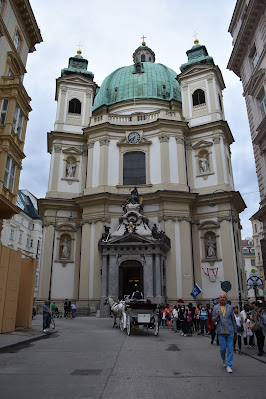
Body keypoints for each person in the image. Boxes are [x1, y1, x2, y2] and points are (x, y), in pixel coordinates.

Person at [212, 293, 237, 373]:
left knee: (230, 349)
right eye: (221, 297)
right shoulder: (215, 308)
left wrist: (235, 331)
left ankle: (229, 365)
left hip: (230, 331)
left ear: (226, 299)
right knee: (222, 349)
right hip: (221, 331)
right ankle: (223, 359)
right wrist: (218, 316)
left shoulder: (230, 308)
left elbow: (233, 319)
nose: (222, 298)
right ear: (219, 299)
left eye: (224, 297)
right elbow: (213, 320)